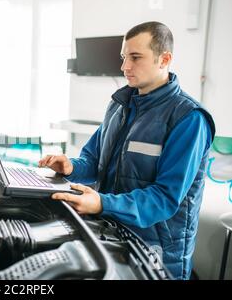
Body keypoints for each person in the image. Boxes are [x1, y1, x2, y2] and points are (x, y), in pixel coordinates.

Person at [39, 21, 215, 280]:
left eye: (135, 57)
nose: (124, 67)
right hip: (112, 235)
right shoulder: (120, 106)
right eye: (123, 57)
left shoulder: (188, 119)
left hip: (157, 253)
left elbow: (164, 198)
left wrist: (101, 203)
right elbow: (94, 159)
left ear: (164, 59)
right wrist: (71, 167)